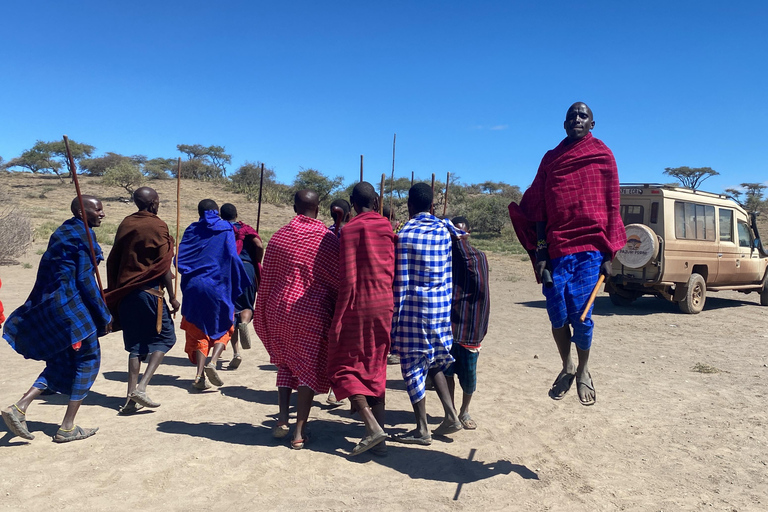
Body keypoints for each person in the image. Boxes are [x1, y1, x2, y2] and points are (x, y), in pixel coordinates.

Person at [509, 102, 626, 406]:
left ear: (592, 123)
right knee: (557, 315)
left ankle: (585, 369)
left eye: (582, 115)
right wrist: (541, 251)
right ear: (564, 125)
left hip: (591, 249)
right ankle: (567, 366)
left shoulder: (603, 156)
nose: (576, 119)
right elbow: (537, 207)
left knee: (583, 316)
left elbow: (613, 205)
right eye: (571, 116)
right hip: (558, 248)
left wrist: (610, 253)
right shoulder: (551, 159)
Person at [2, 196, 111, 442]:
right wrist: (103, 315)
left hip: (54, 305)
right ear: (82, 212)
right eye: (98, 210)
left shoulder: (64, 231)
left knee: (62, 363)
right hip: (72, 309)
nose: (102, 214)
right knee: (88, 361)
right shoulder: (83, 238)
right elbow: (85, 280)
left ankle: (19, 408)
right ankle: (67, 427)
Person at [254, 190, 340, 449]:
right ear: (319, 207)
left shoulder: (279, 237)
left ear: (294, 207)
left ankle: (282, 420)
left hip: (279, 309)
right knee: (307, 370)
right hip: (309, 311)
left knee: (286, 365)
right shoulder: (327, 239)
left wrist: (264, 312)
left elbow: (266, 278)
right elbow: (337, 280)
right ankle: (299, 432)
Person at [390, 183, 464, 446]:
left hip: (413, 309)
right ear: (432, 206)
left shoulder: (404, 234)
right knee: (434, 361)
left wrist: (394, 319)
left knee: (411, 366)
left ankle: (422, 428)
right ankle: (451, 414)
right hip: (440, 309)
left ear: (409, 205)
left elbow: (401, 280)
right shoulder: (445, 230)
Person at [327, 182, 396, 456]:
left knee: (344, 364)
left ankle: (372, 427)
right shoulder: (386, 227)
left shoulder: (350, 230)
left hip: (357, 304)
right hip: (384, 304)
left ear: (353, 204)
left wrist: (340, 315)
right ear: (376, 200)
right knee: (377, 367)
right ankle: (380, 443)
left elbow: (347, 276)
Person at [105, 187, 179, 414]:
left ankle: (130, 397)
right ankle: (142, 387)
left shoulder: (126, 223)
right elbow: (163, 267)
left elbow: (115, 259)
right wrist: (173, 297)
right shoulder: (158, 226)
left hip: (126, 293)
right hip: (150, 294)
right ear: (154, 202)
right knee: (165, 338)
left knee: (136, 345)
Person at [178, 199, 249, 390]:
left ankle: (199, 376)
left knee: (199, 331)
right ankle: (213, 361)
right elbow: (232, 256)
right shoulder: (226, 228)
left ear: (199, 212)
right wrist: (239, 279)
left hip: (194, 287)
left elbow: (180, 259)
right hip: (218, 286)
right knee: (224, 324)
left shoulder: (192, 229)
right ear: (217, 212)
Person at [444, 216, 490, 430]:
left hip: (470, 326)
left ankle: (464, 410)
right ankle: (451, 412)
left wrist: (458, 240)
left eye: (461, 234)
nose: (457, 239)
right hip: (448, 325)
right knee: (447, 373)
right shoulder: (445, 258)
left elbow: (480, 287)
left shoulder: (478, 257)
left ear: (467, 234)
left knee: (469, 377)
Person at [219, 203, 263, 370]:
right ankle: (244, 322)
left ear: (221, 216)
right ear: (236, 214)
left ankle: (236, 352)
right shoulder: (246, 229)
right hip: (247, 268)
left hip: (228, 271)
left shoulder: (221, 230)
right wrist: (257, 260)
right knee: (246, 306)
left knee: (231, 311)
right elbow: (258, 245)